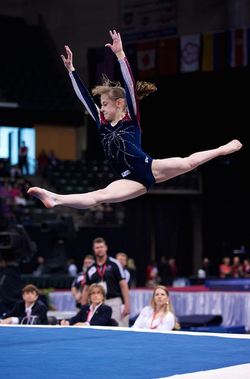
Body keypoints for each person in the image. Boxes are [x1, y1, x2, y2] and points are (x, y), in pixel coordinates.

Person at [27, 30, 242, 211]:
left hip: (150, 168)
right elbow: (84, 99)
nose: (101, 109)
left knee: (190, 162)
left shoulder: (131, 120)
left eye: (104, 104)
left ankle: (222, 149)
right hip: (131, 181)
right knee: (100, 195)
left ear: (119, 103)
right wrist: (71, 71)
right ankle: (55, 199)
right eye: (100, 105)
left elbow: (130, 86)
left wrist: (120, 54)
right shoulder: (102, 125)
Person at [81, 237, 130, 326]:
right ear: (93, 249)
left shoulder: (115, 264)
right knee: (96, 326)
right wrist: (83, 306)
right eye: (97, 247)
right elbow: (86, 288)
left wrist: (127, 304)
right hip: (96, 302)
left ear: (106, 248)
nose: (99, 249)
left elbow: (123, 285)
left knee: (115, 326)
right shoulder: (91, 267)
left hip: (113, 300)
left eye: (101, 247)